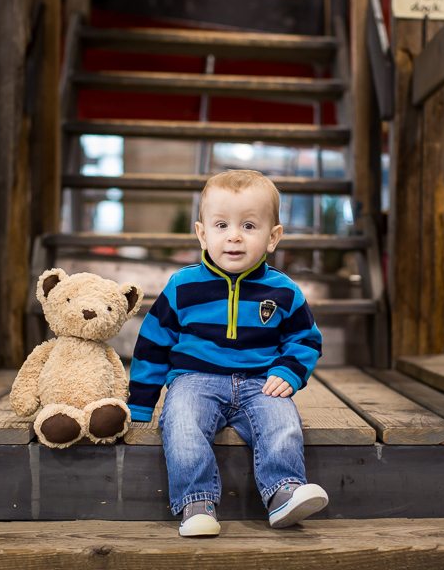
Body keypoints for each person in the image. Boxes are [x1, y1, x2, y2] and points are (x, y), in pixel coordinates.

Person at [129, 169, 327, 537]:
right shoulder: (183, 286)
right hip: (194, 381)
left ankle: (284, 492)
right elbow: (153, 343)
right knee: (183, 423)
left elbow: (305, 337)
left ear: (273, 237)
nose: (234, 235)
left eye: (249, 226)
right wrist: (140, 404)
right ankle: (197, 503)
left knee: (283, 424)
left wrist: (288, 371)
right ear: (203, 233)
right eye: (221, 225)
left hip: (260, 382)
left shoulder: (282, 290)